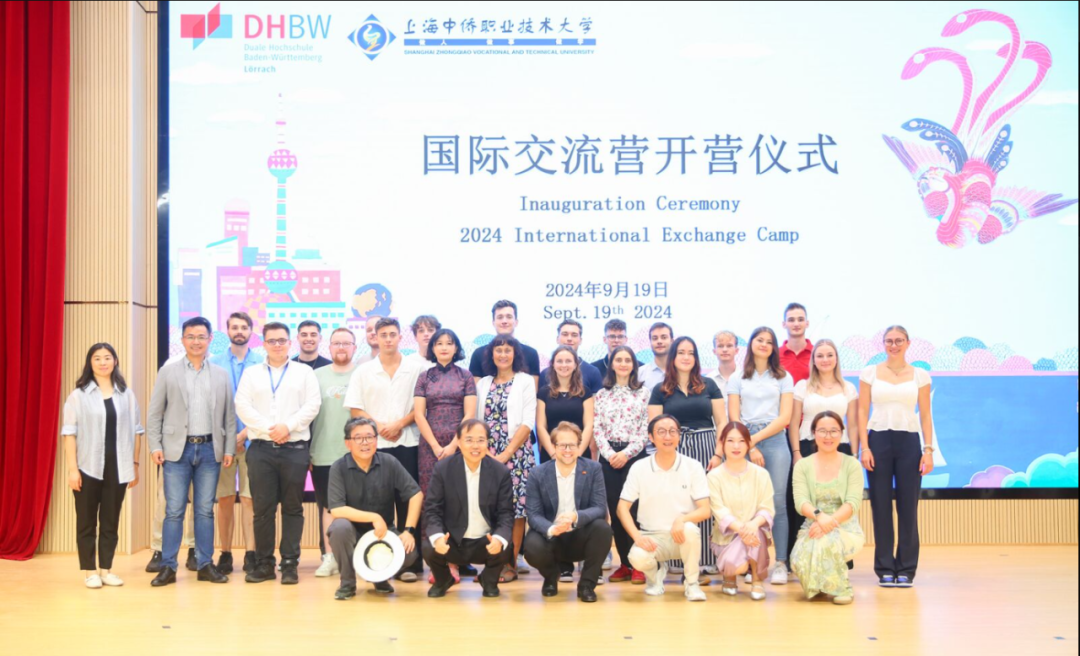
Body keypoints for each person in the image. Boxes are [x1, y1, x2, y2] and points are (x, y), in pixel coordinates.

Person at [146, 317, 236, 587]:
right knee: (174, 510)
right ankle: (168, 567)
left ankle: (205, 564)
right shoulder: (168, 372)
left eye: (201, 336)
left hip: (209, 450)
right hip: (177, 451)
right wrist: (155, 445)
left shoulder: (220, 374)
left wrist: (228, 448)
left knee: (205, 511)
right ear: (183, 339)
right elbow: (155, 413)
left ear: (210, 339)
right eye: (191, 336)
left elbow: (229, 416)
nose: (196, 341)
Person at [234, 322, 321, 585]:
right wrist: (270, 429)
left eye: (282, 340)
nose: (277, 345)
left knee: (293, 508)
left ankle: (290, 563)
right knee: (263, 510)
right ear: (264, 344)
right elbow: (242, 406)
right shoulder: (252, 374)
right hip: (261, 450)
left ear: (290, 343)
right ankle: (264, 564)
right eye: (272, 341)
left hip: (294, 449)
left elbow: (313, 405)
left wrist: (288, 427)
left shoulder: (304, 372)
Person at [343, 317, 425, 581]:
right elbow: (355, 408)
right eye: (383, 335)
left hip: (407, 442)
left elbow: (422, 406)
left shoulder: (416, 368)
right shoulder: (363, 371)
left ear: (400, 337)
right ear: (375, 338)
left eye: (392, 334)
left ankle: (410, 563)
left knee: (407, 501)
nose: (388, 339)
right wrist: (379, 427)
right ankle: (375, 561)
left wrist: (400, 423)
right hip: (373, 446)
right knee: (377, 502)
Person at [62, 343, 144, 588]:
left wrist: (134, 464)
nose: (102, 362)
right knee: (86, 522)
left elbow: (137, 431)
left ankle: (106, 570)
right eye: (97, 358)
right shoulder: (78, 396)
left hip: (118, 468)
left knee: (110, 521)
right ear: (90, 363)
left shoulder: (126, 394)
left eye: (107, 357)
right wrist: (73, 469)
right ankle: (90, 571)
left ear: (115, 361)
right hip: (87, 467)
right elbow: (69, 434)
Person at [858, 325, 934, 588]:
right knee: (880, 506)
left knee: (908, 506)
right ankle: (885, 568)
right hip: (878, 440)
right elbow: (862, 411)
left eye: (899, 340)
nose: (894, 345)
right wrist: (865, 448)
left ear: (908, 343)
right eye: (889, 341)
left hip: (909, 442)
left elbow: (926, 414)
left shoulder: (920, 375)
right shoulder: (869, 373)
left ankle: (906, 569)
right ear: (883, 344)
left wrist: (928, 450)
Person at [647, 336, 726, 576]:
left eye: (691, 353)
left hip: (707, 447)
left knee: (704, 502)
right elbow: (655, 426)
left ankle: (706, 560)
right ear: (673, 357)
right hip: (674, 448)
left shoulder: (709, 385)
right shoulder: (660, 390)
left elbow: (722, 422)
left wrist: (718, 454)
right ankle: (677, 559)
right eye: (681, 352)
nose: (686, 357)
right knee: (677, 501)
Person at [726, 326, 795, 585]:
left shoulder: (783, 377)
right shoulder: (737, 377)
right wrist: (749, 445)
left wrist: (754, 441)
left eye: (769, 341)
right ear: (751, 344)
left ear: (774, 347)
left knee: (777, 503)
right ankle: (750, 563)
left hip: (775, 440)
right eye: (759, 340)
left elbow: (785, 417)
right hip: (744, 439)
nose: (764, 344)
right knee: (747, 504)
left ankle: (781, 563)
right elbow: (734, 416)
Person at [327, 418, 423, 599]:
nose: (365, 442)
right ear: (348, 443)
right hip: (352, 533)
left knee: (409, 553)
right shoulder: (338, 467)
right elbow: (337, 510)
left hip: (383, 533)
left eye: (369, 437)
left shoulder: (389, 462)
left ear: (376, 440)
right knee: (339, 528)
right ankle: (347, 583)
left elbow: (416, 494)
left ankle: (380, 578)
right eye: (358, 438)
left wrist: (409, 531)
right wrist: (374, 517)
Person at [618, 415, 710, 602]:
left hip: (681, 535)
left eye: (672, 431)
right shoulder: (639, 467)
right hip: (652, 537)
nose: (667, 436)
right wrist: (637, 537)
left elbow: (705, 510)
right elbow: (622, 508)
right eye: (661, 432)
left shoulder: (693, 466)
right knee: (637, 557)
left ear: (679, 436)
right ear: (651, 437)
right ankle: (655, 578)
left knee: (690, 529)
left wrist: (681, 520)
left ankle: (692, 583)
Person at [422, 419, 515, 599]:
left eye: (481, 440)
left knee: (505, 543)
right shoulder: (443, 468)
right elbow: (432, 509)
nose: (475, 446)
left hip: (485, 541)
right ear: (458, 442)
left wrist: (498, 538)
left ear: (487, 443)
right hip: (452, 541)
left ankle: (488, 580)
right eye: (469, 440)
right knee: (429, 545)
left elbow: (506, 514)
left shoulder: (500, 472)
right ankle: (443, 580)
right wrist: (438, 537)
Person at [415, 328, 477, 585]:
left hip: (459, 444)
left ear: (456, 348)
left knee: (457, 499)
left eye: (449, 343)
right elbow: (419, 414)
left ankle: (455, 560)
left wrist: (453, 445)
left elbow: (469, 414)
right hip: (429, 447)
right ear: (432, 348)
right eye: (439, 343)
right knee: (431, 500)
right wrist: (434, 445)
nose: (443, 347)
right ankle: (436, 562)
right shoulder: (424, 376)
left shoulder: (465, 375)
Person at [524, 422, 612, 602]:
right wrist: (551, 529)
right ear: (554, 446)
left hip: (580, 533)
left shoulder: (593, 469)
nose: (567, 450)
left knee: (603, 529)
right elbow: (533, 514)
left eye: (572, 445)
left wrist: (576, 516)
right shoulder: (537, 473)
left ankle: (587, 585)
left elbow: (599, 507)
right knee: (531, 546)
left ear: (579, 446)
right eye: (562, 445)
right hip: (552, 536)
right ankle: (551, 577)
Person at [475, 334, 537, 583]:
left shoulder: (525, 381)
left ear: (515, 354)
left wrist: (506, 454)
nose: (503, 354)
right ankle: (492, 564)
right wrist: (487, 453)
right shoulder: (483, 383)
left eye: (507, 350)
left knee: (517, 510)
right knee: (490, 509)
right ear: (491, 355)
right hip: (486, 454)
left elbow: (527, 422)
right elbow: (477, 422)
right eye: (498, 350)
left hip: (517, 454)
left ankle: (510, 564)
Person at [791, 411, 866, 605]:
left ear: (841, 433)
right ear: (813, 433)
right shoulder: (802, 465)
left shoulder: (852, 464)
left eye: (833, 431)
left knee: (827, 542)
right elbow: (801, 501)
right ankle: (821, 584)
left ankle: (842, 587)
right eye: (822, 431)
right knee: (797, 559)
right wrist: (819, 517)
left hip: (845, 525)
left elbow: (852, 503)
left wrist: (829, 522)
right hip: (813, 524)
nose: (828, 436)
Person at [210, 312, 262, 575]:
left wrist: (245, 434)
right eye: (234, 327)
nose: (239, 331)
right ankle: (226, 553)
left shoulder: (262, 363)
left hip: (255, 442)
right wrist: (230, 438)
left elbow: (266, 406)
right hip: (223, 445)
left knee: (250, 500)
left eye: (244, 327)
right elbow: (211, 406)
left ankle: (251, 553)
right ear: (227, 330)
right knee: (225, 499)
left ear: (251, 331)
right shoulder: (214, 363)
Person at [594, 345, 651, 585]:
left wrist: (626, 454)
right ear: (612, 364)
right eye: (619, 359)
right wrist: (610, 454)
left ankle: (640, 564)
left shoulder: (644, 393)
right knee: (616, 510)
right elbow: (597, 428)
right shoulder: (601, 394)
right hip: (608, 458)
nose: (623, 364)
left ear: (634, 365)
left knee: (635, 511)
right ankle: (625, 565)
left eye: (628, 360)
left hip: (634, 457)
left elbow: (645, 429)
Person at [311, 328, 359, 578]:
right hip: (323, 452)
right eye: (336, 343)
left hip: (358, 453)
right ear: (329, 347)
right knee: (328, 507)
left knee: (358, 505)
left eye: (346, 343)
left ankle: (356, 557)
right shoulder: (315, 376)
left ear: (354, 347)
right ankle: (329, 557)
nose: (341, 347)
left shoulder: (362, 374)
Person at [708, 422, 774, 601]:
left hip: (754, 533)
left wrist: (752, 525)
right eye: (730, 441)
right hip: (728, 534)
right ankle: (729, 576)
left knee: (756, 531)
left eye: (741, 441)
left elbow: (767, 507)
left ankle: (757, 580)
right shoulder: (714, 476)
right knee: (734, 563)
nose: (736, 446)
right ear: (722, 443)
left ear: (748, 444)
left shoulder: (761, 474)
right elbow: (718, 509)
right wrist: (741, 529)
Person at [791, 339, 857, 461]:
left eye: (830, 355)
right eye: (820, 356)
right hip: (807, 447)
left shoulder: (849, 388)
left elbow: (852, 425)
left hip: (840, 447)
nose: (825, 360)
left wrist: (854, 455)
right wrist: (796, 453)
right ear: (813, 360)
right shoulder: (802, 386)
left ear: (836, 358)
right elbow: (794, 423)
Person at [536, 345, 595, 464]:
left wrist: (577, 453)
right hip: (551, 456)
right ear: (553, 365)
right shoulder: (543, 393)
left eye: (568, 361)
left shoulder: (585, 392)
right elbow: (541, 426)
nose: (564, 365)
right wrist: (554, 454)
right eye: (559, 361)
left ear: (575, 365)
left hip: (579, 455)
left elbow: (589, 425)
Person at [468, 300, 541, 388]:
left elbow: (533, 391)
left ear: (516, 322)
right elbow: (475, 392)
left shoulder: (531, 353)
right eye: (500, 317)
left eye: (509, 317)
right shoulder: (478, 354)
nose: (504, 321)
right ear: (493, 322)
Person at [537, 319, 603, 393]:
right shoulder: (545, 374)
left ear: (580, 340)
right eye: (565, 334)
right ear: (557, 339)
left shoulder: (593, 372)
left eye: (574, 335)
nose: (569, 338)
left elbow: (596, 399)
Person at [779, 303, 813, 384]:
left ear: (807, 323)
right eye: (791, 320)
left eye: (800, 319)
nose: (796, 324)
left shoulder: (817, 353)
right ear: (784, 324)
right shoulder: (774, 355)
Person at [637, 322, 672, 392]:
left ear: (672, 341)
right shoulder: (640, 374)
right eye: (655, 338)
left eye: (664, 337)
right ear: (650, 342)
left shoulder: (682, 372)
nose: (659, 341)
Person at [710, 330, 739, 397]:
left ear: (736, 350)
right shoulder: (708, 380)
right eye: (720, 346)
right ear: (714, 351)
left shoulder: (745, 377)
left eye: (729, 346)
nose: (725, 350)